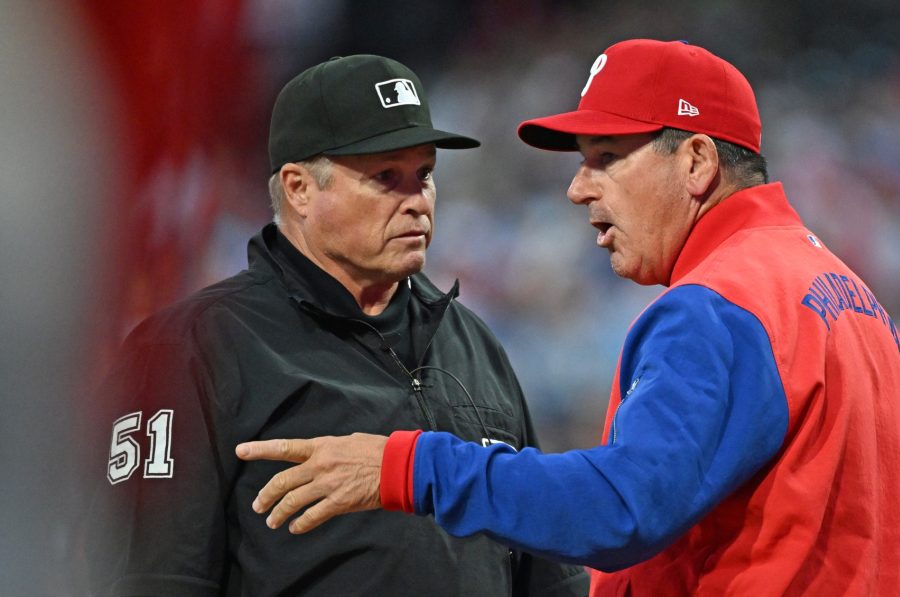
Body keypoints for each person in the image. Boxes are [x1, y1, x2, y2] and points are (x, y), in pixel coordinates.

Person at [236, 40, 900, 595]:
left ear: (696, 162)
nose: (577, 188)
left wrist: (410, 464)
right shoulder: (852, 298)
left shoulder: (719, 306)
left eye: (606, 159)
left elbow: (620, 507)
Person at [85, 54, 589, 596]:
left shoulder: (474, 345)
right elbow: (152, 580)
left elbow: (548, 576)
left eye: (424, 174)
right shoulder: (189, 349)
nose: (417, 202)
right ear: (299, 188)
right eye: (385, 177)